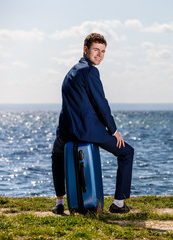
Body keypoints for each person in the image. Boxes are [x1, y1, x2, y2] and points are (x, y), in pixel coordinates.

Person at [51, 33, 134, 214]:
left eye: (103, 51)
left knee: (57, 156)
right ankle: (119, 203)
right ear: (85, 49)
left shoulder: (71, 72)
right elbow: (101, 103)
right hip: (87, 131)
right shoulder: (90, 71)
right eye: (96, 50)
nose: (100, 55)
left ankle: (59, 203)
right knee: (127, 152)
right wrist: (114, 130)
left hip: (65, 131)